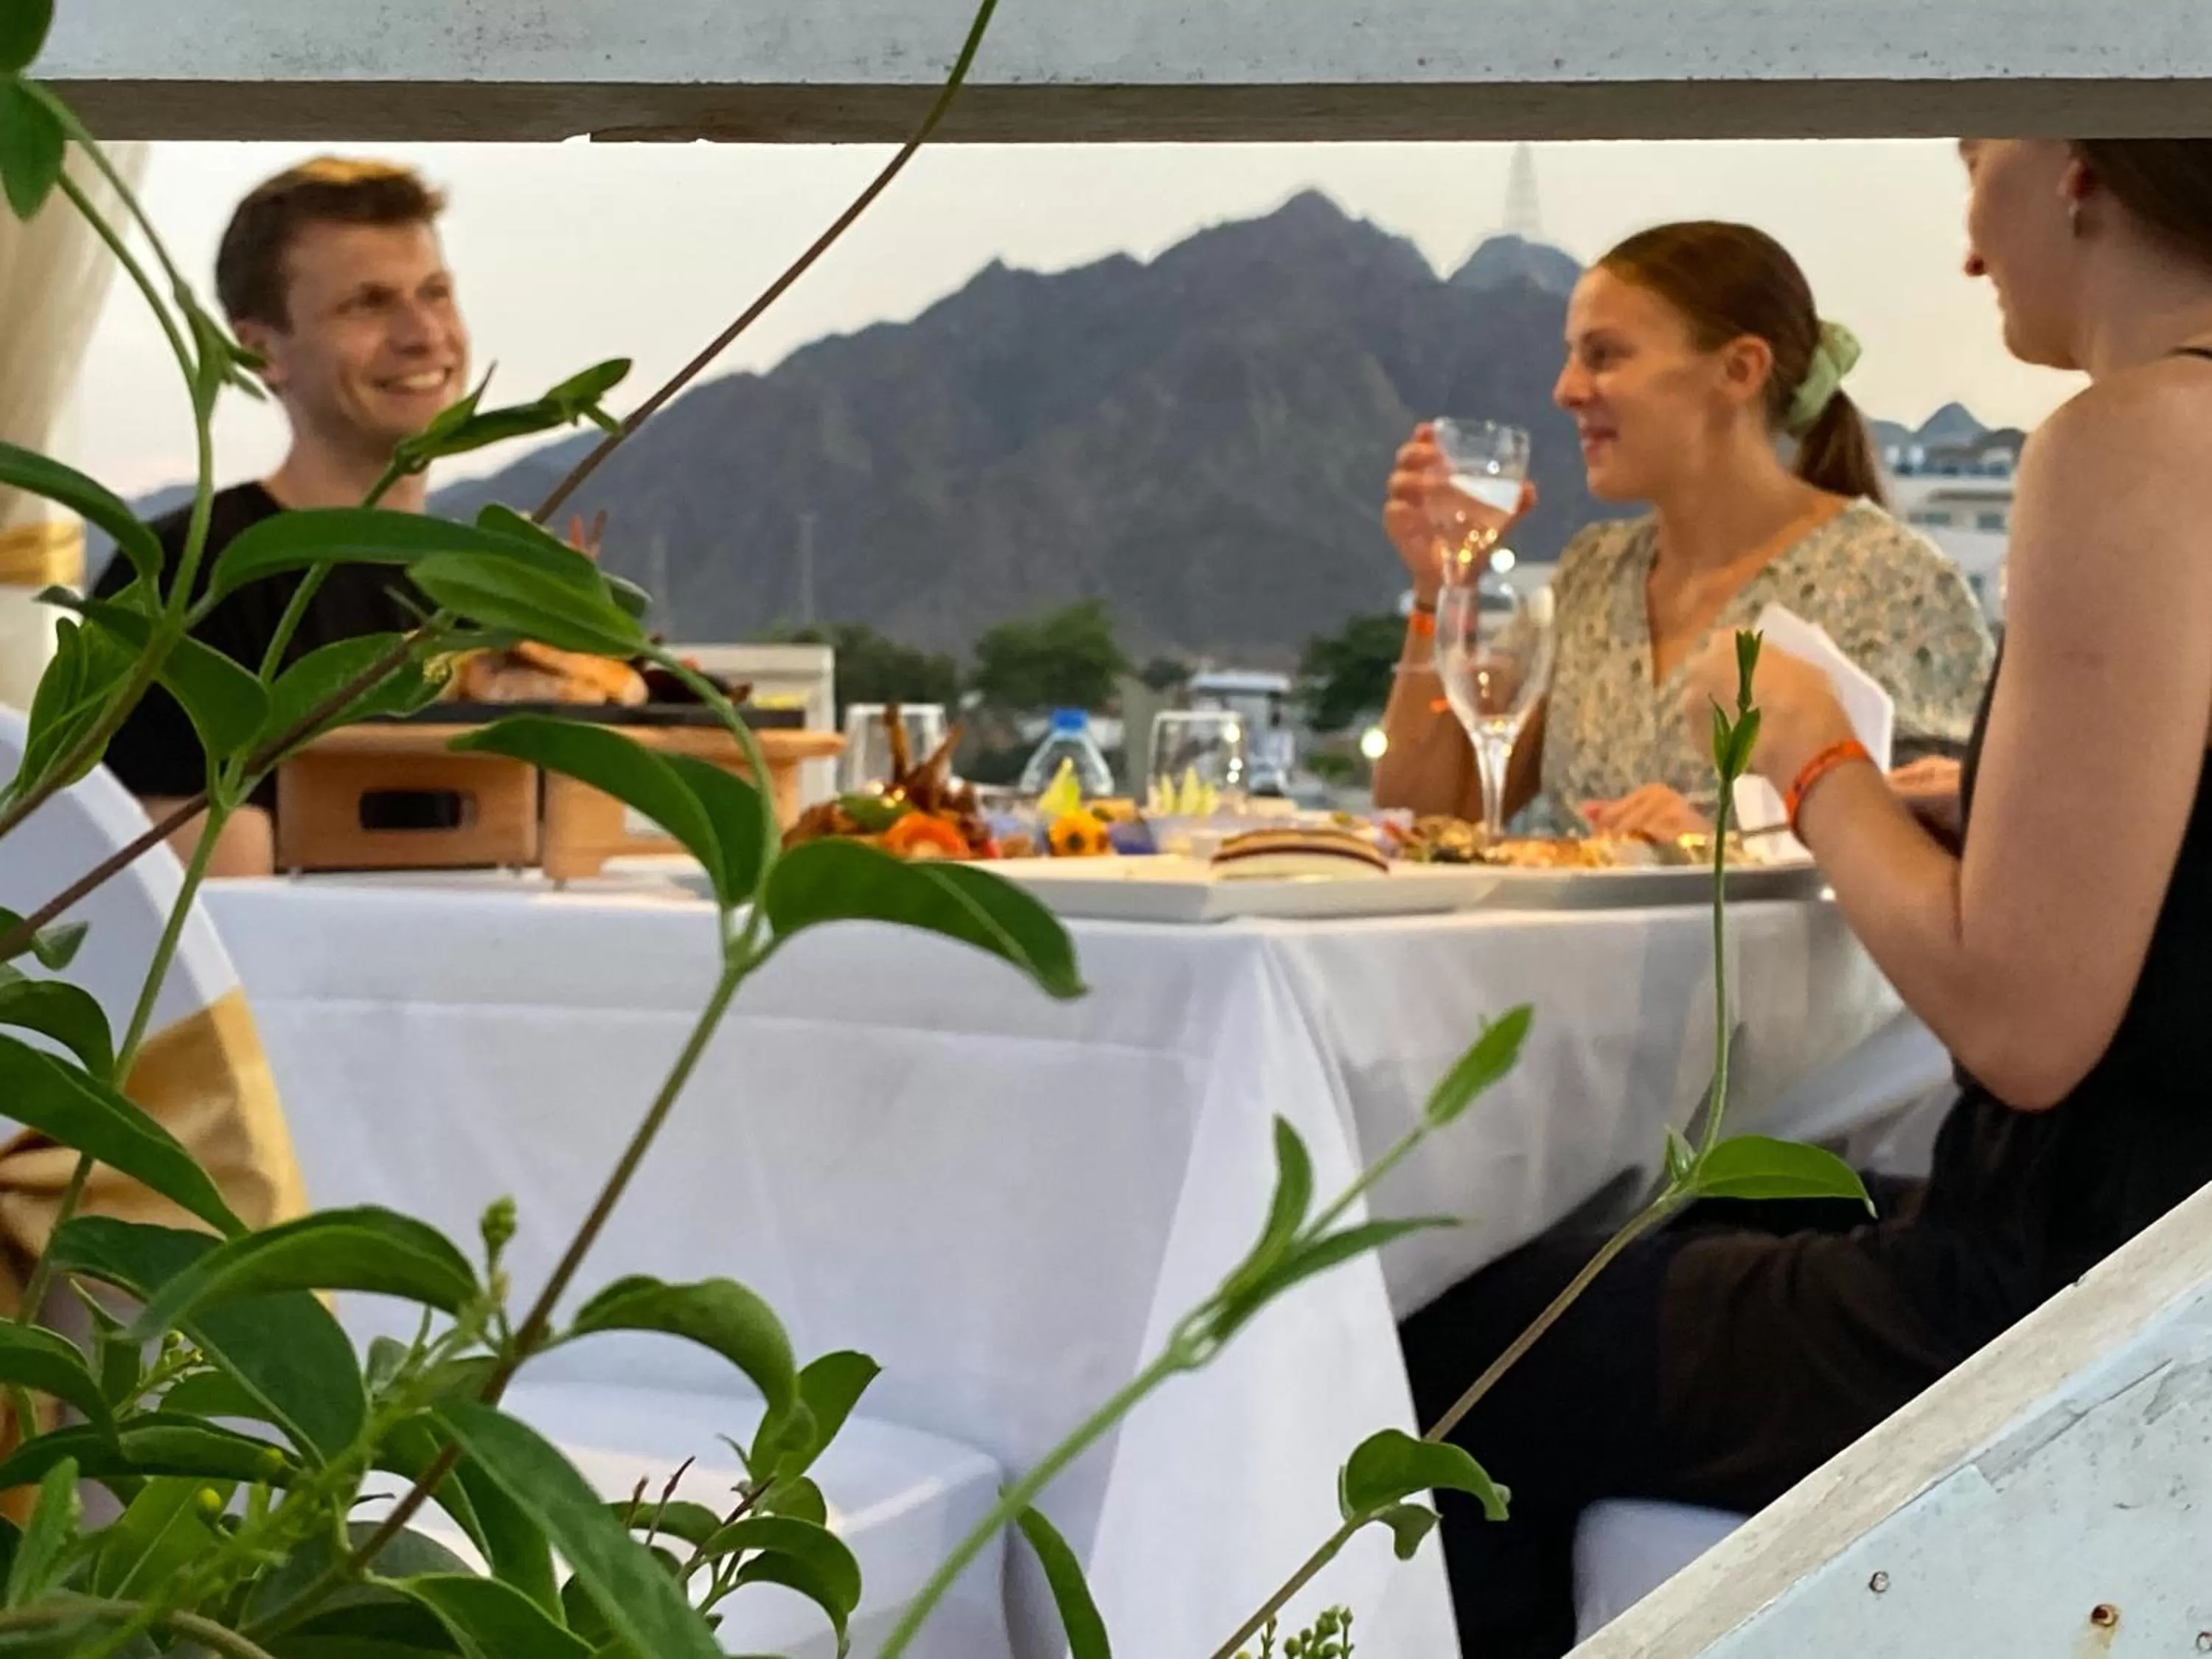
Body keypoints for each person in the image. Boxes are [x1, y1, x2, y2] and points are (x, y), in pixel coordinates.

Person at [1401, 142, 2212, 1657]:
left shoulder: (2138, 437)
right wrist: (1976, 808)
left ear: (2074, 167)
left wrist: (1817, 748)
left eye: (1977, 158)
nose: (1968, 242)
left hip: (2078, 1291)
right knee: (1673, 1222)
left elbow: (2027, 1026)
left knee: (1456, 1356)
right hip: (2156, 1236)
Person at [1373, 221, 1994, 841]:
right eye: (1571, 357)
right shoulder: (1592, 574)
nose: (1565, 391)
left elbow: (1965, 840)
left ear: (1740, 370)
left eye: (1604, 355)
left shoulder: (1888, 582)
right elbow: (1425, 814)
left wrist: (1722, 841)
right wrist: (1443, 583)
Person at [93, 158, 472, 876]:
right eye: (368, 303)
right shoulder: (189, 577)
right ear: (260, 349)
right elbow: (208, 921)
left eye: (436, 293)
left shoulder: (491, 582)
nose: (424, 335)